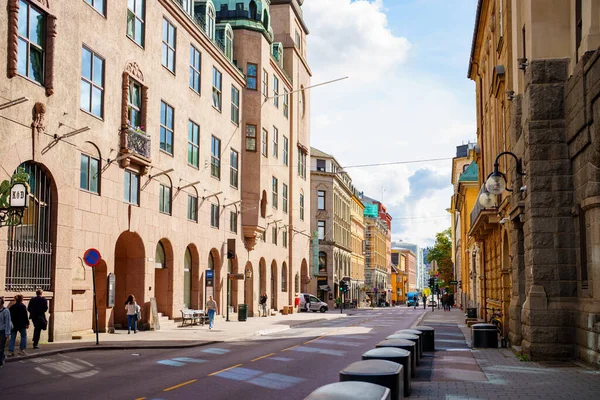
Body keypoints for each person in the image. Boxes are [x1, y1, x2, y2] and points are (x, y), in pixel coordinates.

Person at [0, 296, 11, 368]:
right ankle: (3, 357)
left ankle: (0, 362)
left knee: (1, 347)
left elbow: (7, 322)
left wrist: (7, 333)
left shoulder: (6, 311)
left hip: (2, 332)